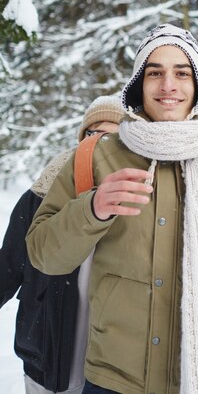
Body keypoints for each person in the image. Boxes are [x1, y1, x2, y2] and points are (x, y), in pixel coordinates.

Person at [26, 23, 198, 394]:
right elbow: (43, 255)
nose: (168, 85)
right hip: (114, 374)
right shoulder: (94, 157)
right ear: (138, 84)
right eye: (154, 72)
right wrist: (92, 209)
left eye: (182, 73)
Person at [0, 95, 124, 394]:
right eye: (92, 134)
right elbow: (10, 263)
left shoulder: (136, 192)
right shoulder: (47, 186)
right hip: (45, 347)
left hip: (112, 361)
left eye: (110, 135)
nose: (98, 143)